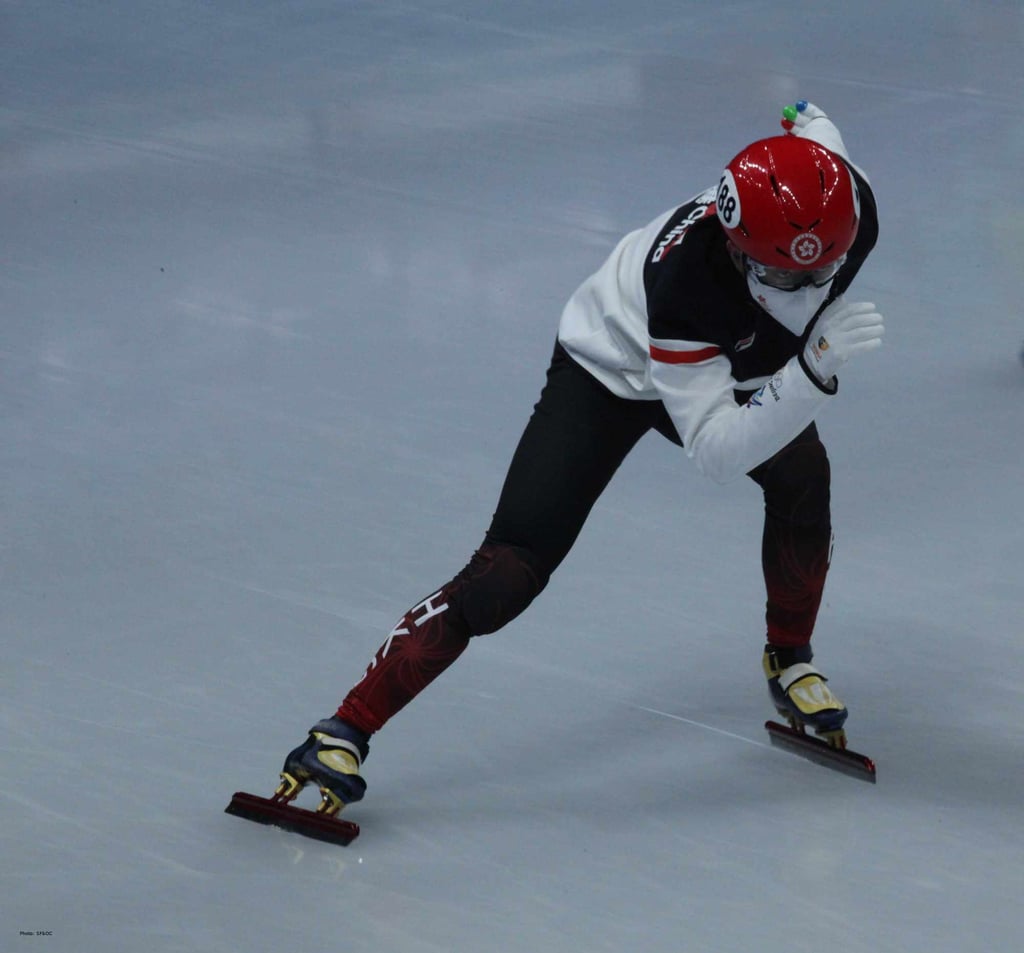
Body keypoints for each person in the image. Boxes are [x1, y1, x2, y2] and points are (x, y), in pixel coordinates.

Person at [275, 101, 884, 815]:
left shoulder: (849, 205)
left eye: (826, 272)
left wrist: (804, 117)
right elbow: (715, 449)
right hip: (612, 369)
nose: (811, 292)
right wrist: (809, 372)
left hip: (730, 360)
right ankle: (343, 726)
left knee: (804, 478)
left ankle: (790, 656)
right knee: (508, 569)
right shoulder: (687, 286)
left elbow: (819, 138)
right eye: (783, 279)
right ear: (736, 243)